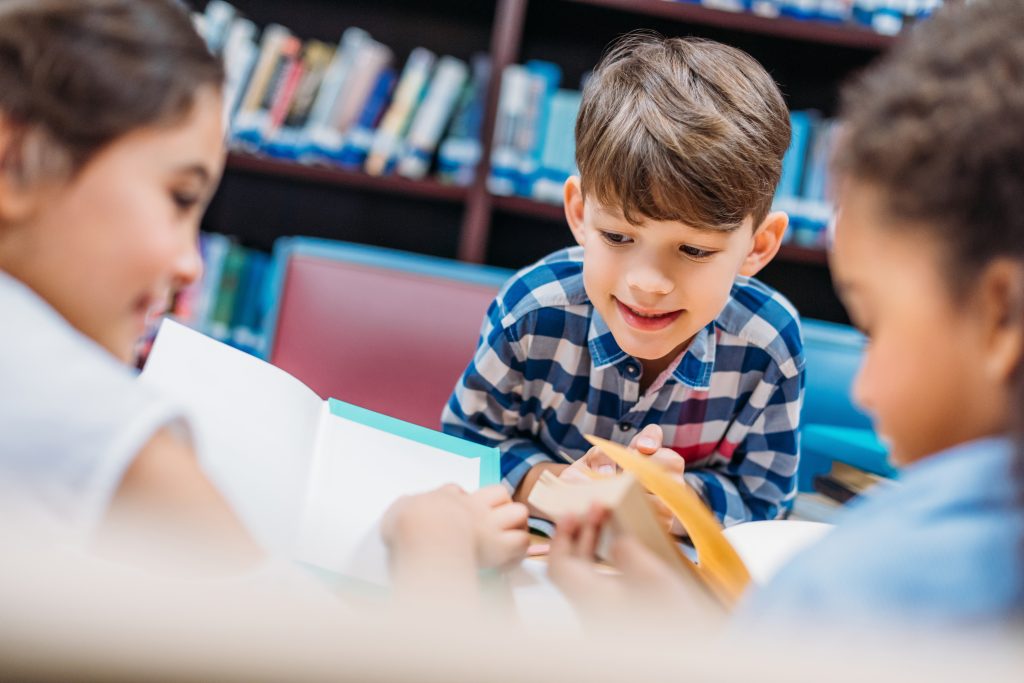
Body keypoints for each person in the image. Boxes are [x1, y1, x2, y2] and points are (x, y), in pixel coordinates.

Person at [0, 0, 528, 582]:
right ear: (14, 162)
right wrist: (435, 542)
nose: (190, 266)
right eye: (178, 198)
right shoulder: (103, 429)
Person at [547, 0, 1024, 628]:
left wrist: (434, 569)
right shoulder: (539, 307)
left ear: (1002, 316)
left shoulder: (854, 590)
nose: (864, 386)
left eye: (875, 326)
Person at [443, 33, 802, 531]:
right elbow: (464, 445)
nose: (649, 283)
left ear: (758, 247)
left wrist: (679, 503)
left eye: (694, 250)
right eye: (617, 236)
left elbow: (767, 501)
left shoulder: (769, 345)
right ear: (580, 214)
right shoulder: (530, 312)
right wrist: (556, 487)